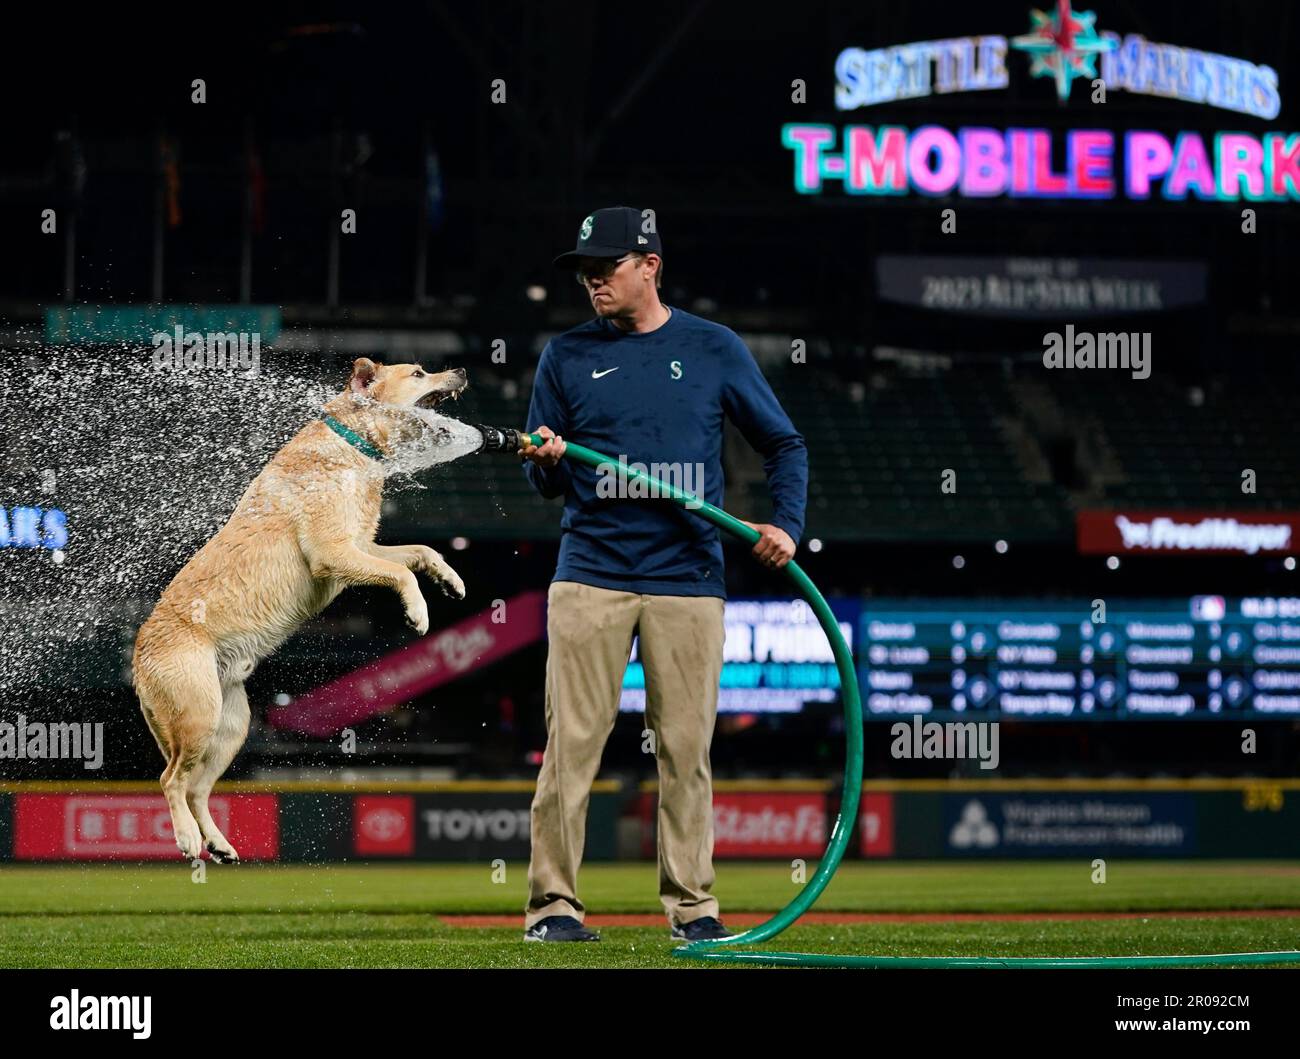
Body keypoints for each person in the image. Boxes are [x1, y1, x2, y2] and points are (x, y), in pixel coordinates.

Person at [520, 206, 808, 942]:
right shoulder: (565, 356)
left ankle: (694, 909)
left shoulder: (713, 348)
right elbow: (543, 485)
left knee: (686, 751)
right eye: (583, 269)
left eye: (605, 266)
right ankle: (553, 907)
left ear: (650, 265)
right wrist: (548, 462)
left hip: (688, 577)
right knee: (571, 748)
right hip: (590, 573)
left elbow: (783, 443)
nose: (591, 279)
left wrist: (786, 525)